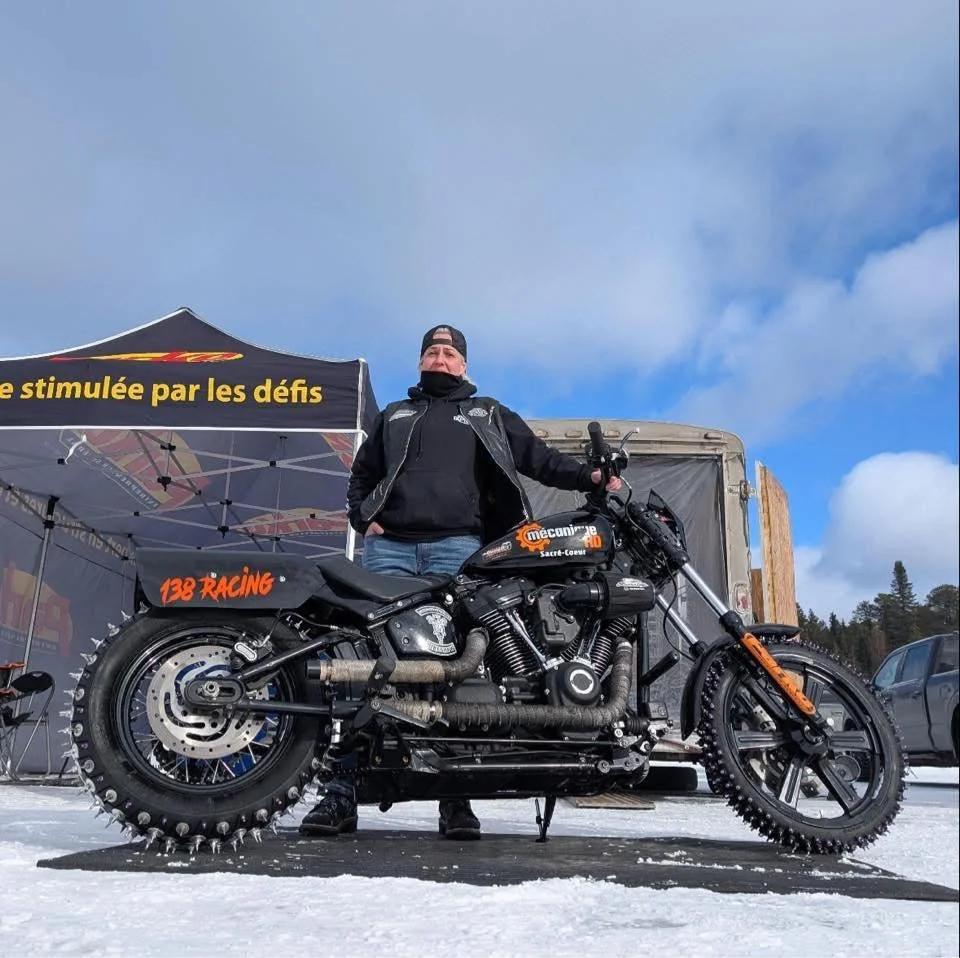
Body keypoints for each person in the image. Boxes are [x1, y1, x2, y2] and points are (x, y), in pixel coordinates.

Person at [299, 324, 622, 839]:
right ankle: (340, 795)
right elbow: (361, 475)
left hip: (460, 550)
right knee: (370, 665)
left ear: (463, 364)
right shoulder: (394, 416)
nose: (440, 357)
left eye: (449, 352)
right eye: (432, 350)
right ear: (421, 361)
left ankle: (455, 800)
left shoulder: (486, 412)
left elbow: (540, 460)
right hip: (390, 551)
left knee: (457, 672)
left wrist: (592, 478)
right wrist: (364, 518)